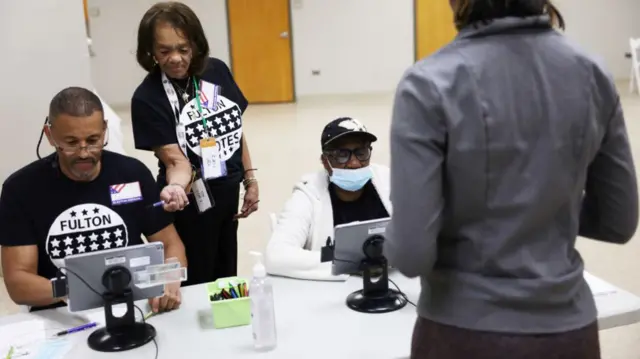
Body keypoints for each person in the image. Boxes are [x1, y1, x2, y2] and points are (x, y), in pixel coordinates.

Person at [385, 2, 639, 359]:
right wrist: (546, 201)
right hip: (569, 336)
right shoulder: (592, 72)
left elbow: (410, 254)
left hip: (462, 335)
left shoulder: (429, 83)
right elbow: (618, 221)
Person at [0, 87, 187, 314]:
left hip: (136, 305)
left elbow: (170, 244)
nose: (84, 152)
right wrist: (81, 288)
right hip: (62, 313)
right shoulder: (21, 189)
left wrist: (168, 279)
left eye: (93, 140)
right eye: (70, 142)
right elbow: (18, 283)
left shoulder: (131, 174)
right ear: (49, 135)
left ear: (104, 130)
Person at [130, 2, 259, 286]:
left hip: (226, 190)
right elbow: (175, 160)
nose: (175, 58)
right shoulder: (148, 98)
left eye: (183, 49)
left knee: (226, 275)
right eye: (164, 51)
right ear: (150, 51)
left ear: (196, 45)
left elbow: (232, 130)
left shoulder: (214, 73)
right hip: (188, 202)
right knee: (197, 277)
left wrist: (250, 180)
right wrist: (175, 187)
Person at [265, 117, 391, 281]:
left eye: (361, 152)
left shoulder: (387, 180)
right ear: (325, 161)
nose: (354, 163)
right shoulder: (308, 195)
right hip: (330, 291)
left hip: (392, 282)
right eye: (342, 155)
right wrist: (352, 262)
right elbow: (276, 255)